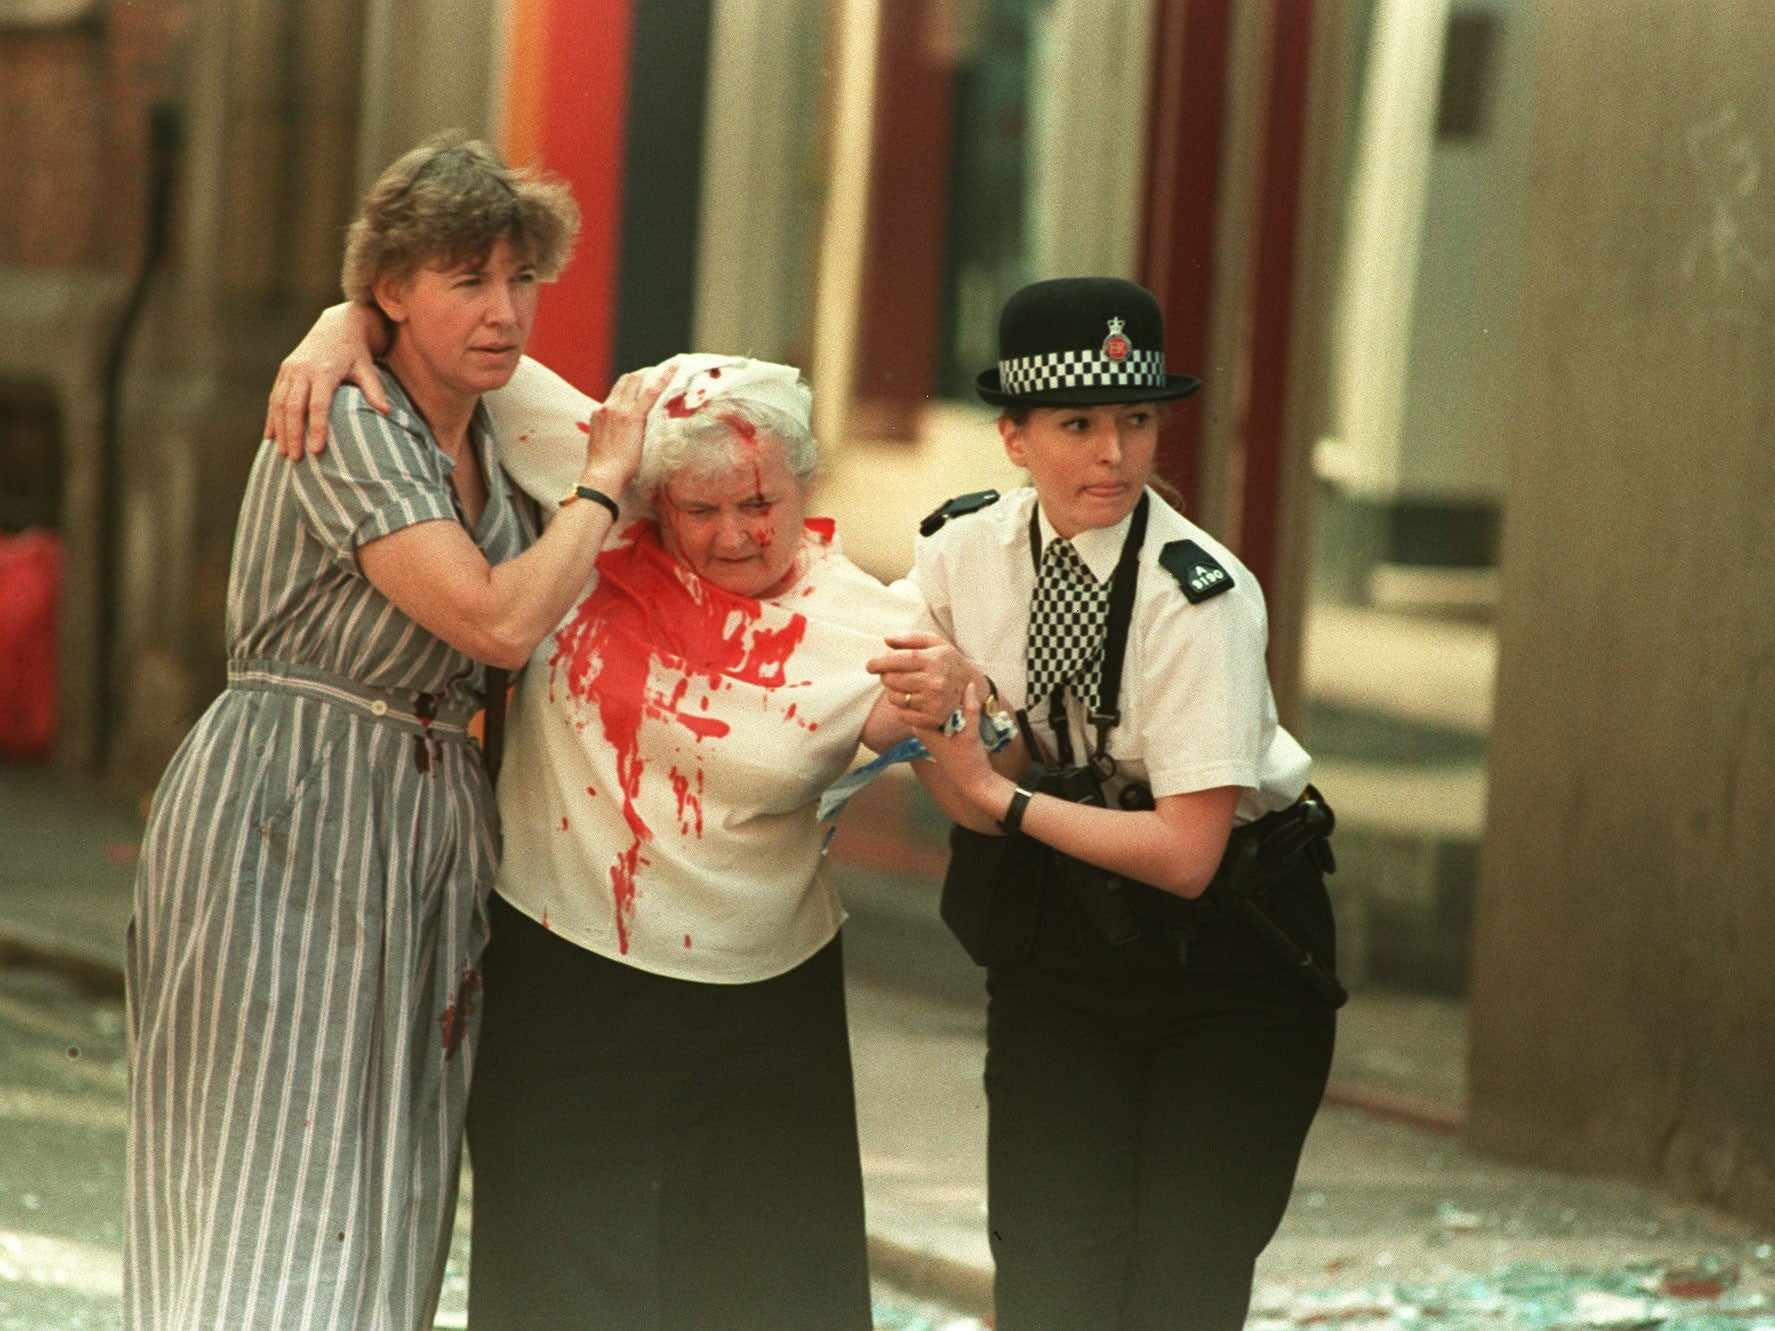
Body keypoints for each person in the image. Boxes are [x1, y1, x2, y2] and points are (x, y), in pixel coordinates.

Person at [263, 329, 978, 1327]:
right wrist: (338, 322)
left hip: (762, 1008)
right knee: (561, 1292)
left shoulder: (861, 624)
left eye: (759, 502)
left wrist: (952, 705)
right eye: (701, 508)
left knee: (760, 1298)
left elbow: (978, 768)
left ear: (804, 486)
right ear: (653, 497)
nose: (733, 532)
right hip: (566, 978)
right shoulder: (594, 516)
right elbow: (440, 333)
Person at [125, 133, 669, 1331]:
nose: (502, 309)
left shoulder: (494, 416)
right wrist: (596, 494)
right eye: (464, 278)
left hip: (425, 812)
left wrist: (340, 316)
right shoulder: (351, 416)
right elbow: (493, 619)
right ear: (394, 292)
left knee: (392, 1173)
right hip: (291, 796)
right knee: (275, 1165)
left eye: (520, 276)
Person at [885, 276, 1340, 1330]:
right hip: (1060, 948)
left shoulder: (1197, 595)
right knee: (1048, 1281)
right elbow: (897, 709)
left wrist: (994, 789)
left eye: (1136, 420)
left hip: (1228, 957)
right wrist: (939, 725)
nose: (1114, 455)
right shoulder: (962, 550)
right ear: (1012, 437)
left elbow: (1187, 852)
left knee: (1176, 1292)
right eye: (1077, 423)